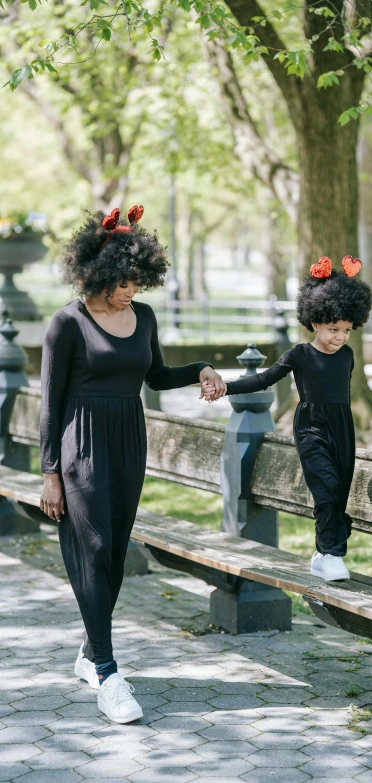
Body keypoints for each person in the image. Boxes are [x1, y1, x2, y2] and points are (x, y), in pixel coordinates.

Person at [39, 205, 225, 724]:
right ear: (95, 273)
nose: (131, 290)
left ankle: (86, 650)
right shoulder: (67, 324)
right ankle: (108, 671)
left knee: (116, 552)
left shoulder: (143, 317)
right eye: (122, 281)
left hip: (128, 441)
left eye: (137, 280)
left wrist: (203, 369)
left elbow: (158, 376)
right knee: (93, 545)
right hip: (82, 445)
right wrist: (50, 472)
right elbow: (50, 404)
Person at [203, 254, 372, 582]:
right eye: (333, 328)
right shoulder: (300, 354)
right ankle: (333, 554)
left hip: (343, 428)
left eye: (347, 330)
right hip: (311, 427)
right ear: (315, 321)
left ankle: (324, 553)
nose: (340, 337)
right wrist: (226, 388)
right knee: (325, 489)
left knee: (339, 491)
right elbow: (263, 379)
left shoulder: (348, 356)